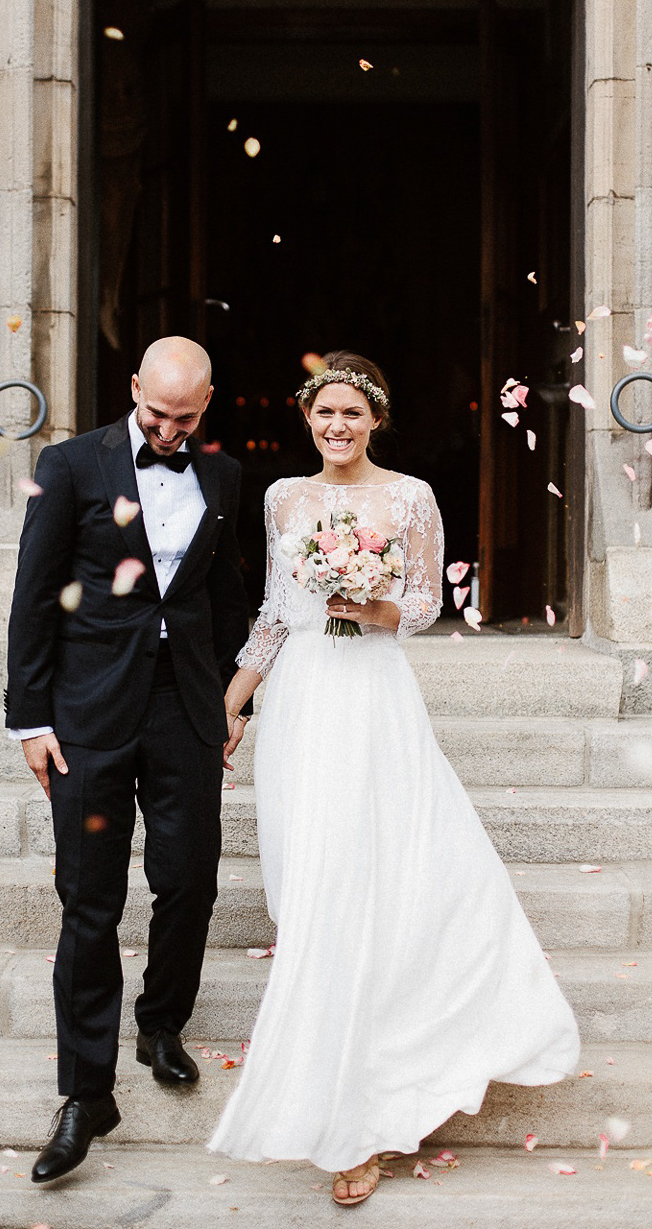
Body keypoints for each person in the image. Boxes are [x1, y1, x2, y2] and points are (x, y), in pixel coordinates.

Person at [209, 351, 581, 1207]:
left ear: (376, 418)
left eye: (352, 413)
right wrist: (231, 707)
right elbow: (272, 613)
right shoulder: (281, 500)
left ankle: (358, 1122)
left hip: (373, 698)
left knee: (371, 881)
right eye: (323, 413)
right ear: (308, 417)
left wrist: (367, 603)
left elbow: (421, 606)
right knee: (311, 885)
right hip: (303, 702)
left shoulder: (409, 496)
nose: (336, 427)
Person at [5, 336, 252, 1185]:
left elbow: (229, 598)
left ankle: (161, 1022)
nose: (170, 430)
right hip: (86, 718)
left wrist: (232, 699)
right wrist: (29, 720)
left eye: (185, 417)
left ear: (207, 403)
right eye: (157, 413)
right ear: (134, 388)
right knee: (91, 899)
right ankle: (85, 1093)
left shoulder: (223, 478)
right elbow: (34, 594)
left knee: (189, 878)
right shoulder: (70, 464)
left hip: (185, 712)